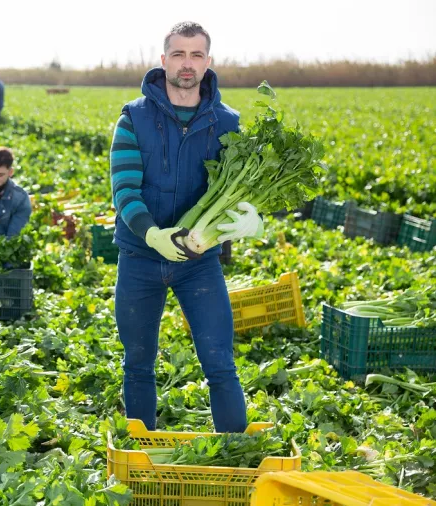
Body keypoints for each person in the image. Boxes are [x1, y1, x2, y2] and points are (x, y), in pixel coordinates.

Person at [109, 21, 264, 433]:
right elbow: (124, 189)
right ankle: (140, 452)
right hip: (141, 257)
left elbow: (243, 186)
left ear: (208, 62)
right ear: (163, 61)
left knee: (219, 362)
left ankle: (233, 452)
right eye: (179, 54)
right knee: (138, 362)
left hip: (198, 261)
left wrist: (252, 218)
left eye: (196, 55)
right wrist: (152, 234)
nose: (187, 64)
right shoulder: (132, 118)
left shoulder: (228, 124)